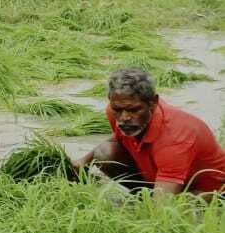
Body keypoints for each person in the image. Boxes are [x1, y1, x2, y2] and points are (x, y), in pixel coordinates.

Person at [76, 66, 225, 199]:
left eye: (134, 110)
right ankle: (144, 197)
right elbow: (121, 136)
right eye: (118, 109)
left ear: (153, 103)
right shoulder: (115, 111)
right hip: (160, 176)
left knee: (187, 205)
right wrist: (84, 160)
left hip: (208, 190)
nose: (124, 118)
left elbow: (161, 211)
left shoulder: (176, 136)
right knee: (105, 152)